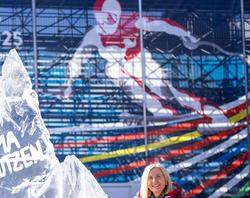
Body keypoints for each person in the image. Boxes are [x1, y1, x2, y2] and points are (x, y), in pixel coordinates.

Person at [62, 0, 228, 124]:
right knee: (119, 76)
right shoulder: (95, 35)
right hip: (117, 67)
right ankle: (161, 111)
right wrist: (69, 84)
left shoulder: (131, 21)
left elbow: (161, 25)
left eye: (110, 19)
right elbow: (78, 59)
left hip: (139, 61)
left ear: (117, 16)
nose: (106, 24)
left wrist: (184, 33)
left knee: (166, 92)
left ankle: (211, 112)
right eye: (102, 19)